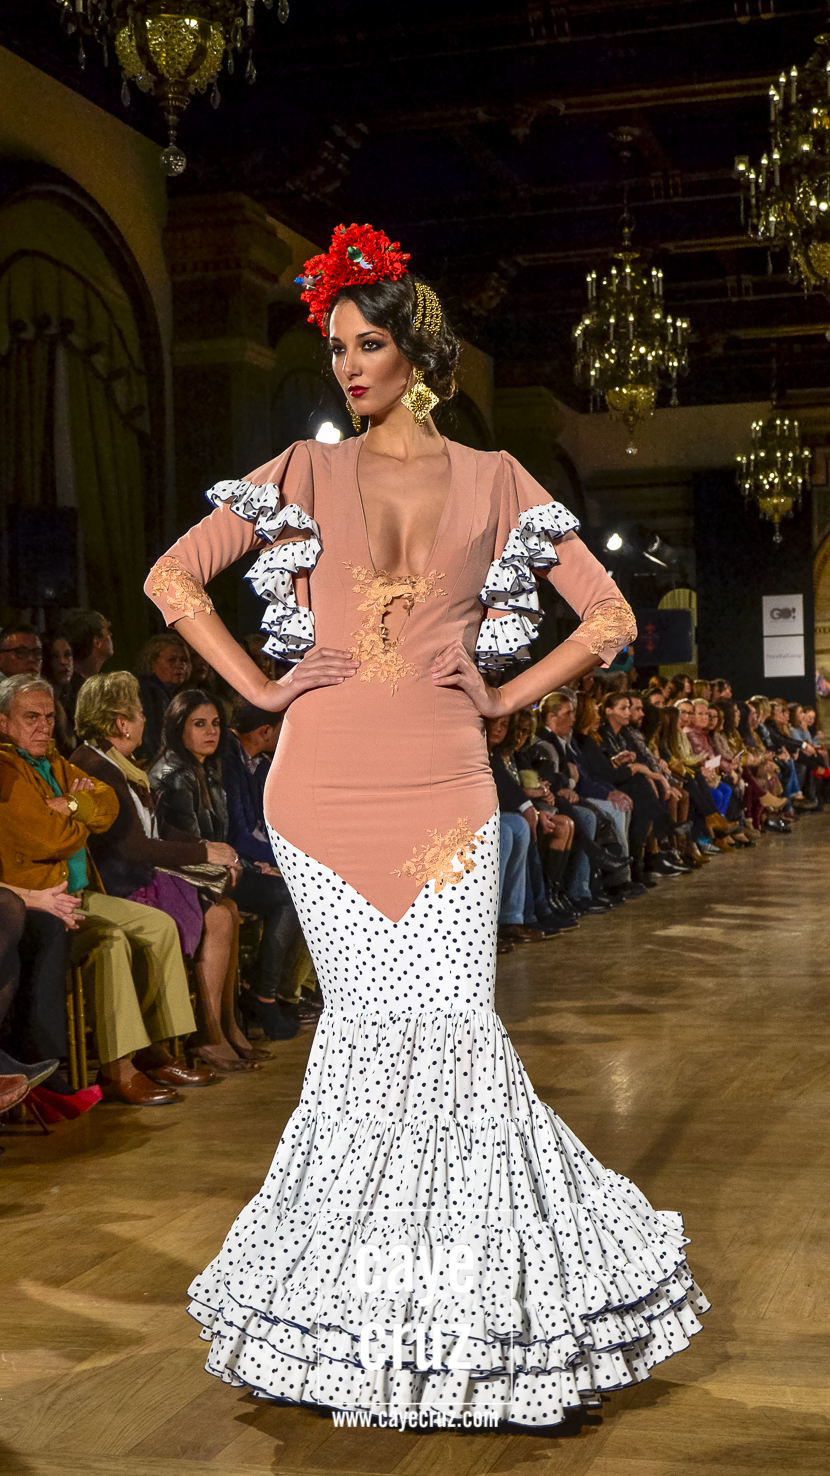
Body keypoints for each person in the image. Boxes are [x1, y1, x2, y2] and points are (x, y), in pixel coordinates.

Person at [144, 223, 708, 1425]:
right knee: (363, 1044)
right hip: (320, 789)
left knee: (449, 1036)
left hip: (443, 789)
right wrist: (257, 690)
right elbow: (171, 578)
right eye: (336, 348)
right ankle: (355, 1319)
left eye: (368, 344)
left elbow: (610, 619)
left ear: (416, 351)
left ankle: (459, 1314)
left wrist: (504, 696)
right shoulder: (297, 471)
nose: (349, 366)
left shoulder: (499, 477)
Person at [0, 673, 202, 1106]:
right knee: (109, 942)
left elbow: (108, 805)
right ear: (3, 723)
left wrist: (73, 804)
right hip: (44, 899)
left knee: (160, 926)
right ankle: (118, 1069)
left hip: (82, 892)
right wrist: (81, 818)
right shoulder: (6, 769)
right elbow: (47, 839)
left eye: (49, 716)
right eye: (31, 717)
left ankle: (155, 1050)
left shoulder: (55, 761)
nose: (43, 726)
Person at [70, 671, 251, 1078]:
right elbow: (132, 846)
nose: (144, 720)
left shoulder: (118, 764)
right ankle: (197, 1036)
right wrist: (203, 852)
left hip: (140, 873)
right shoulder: (97, 766)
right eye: (138, 712)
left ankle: (220, 1027)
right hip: (125, 883)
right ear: (120, 722)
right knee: (215, 914)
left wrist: (210, 849)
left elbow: (156, 828)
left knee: (226, 907)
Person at [150, 690, 300, 1045]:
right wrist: (248, 864)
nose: (211, 732)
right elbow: (193, 845)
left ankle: (243, 1011)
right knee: (284, 895)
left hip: (217, 872)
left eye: (215, 723)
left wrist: (247, 863)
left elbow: (224, 838)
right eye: (199, 724)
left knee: (291, 891)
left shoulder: (207, 767)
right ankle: (257, 1000)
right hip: (182, 878)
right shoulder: (175, 775)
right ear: (178, 728)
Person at [224, 702, 315, 1023]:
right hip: (230, 865)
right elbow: (238, 833)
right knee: (298, 892)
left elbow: (270, 824)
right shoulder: (228, 761)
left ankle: (288, 991)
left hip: (252, 859)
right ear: (265, 731)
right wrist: (286, 861)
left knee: (322, 881)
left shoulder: (257, 763)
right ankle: (268, 993)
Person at [134, 632, 192, 763]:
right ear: (151, 662)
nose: (180, 665)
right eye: (171, 660)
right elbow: (155, 740)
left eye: (184, 660)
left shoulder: (165, 693)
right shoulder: (151, 692)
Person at [61, 610, 114, 719]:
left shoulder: (91, 684)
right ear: (97, 642)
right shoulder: (74, 691)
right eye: (107, 631)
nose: (110, 635)